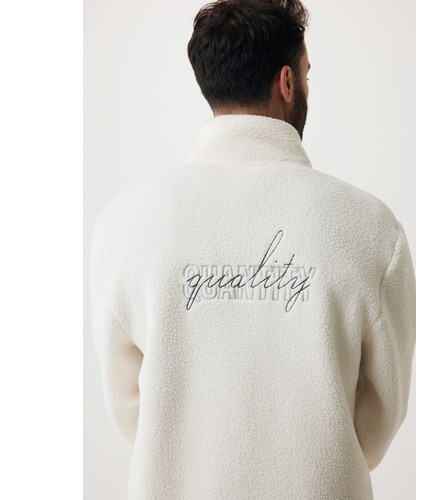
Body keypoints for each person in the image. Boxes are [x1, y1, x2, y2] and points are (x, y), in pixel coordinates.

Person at [88, 0, 416, 498]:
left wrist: (186, 451)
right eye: (307, 73)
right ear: (287, 83)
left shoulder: (123, 224)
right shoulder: (371, 227)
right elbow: (381, 414)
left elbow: (126, 403)